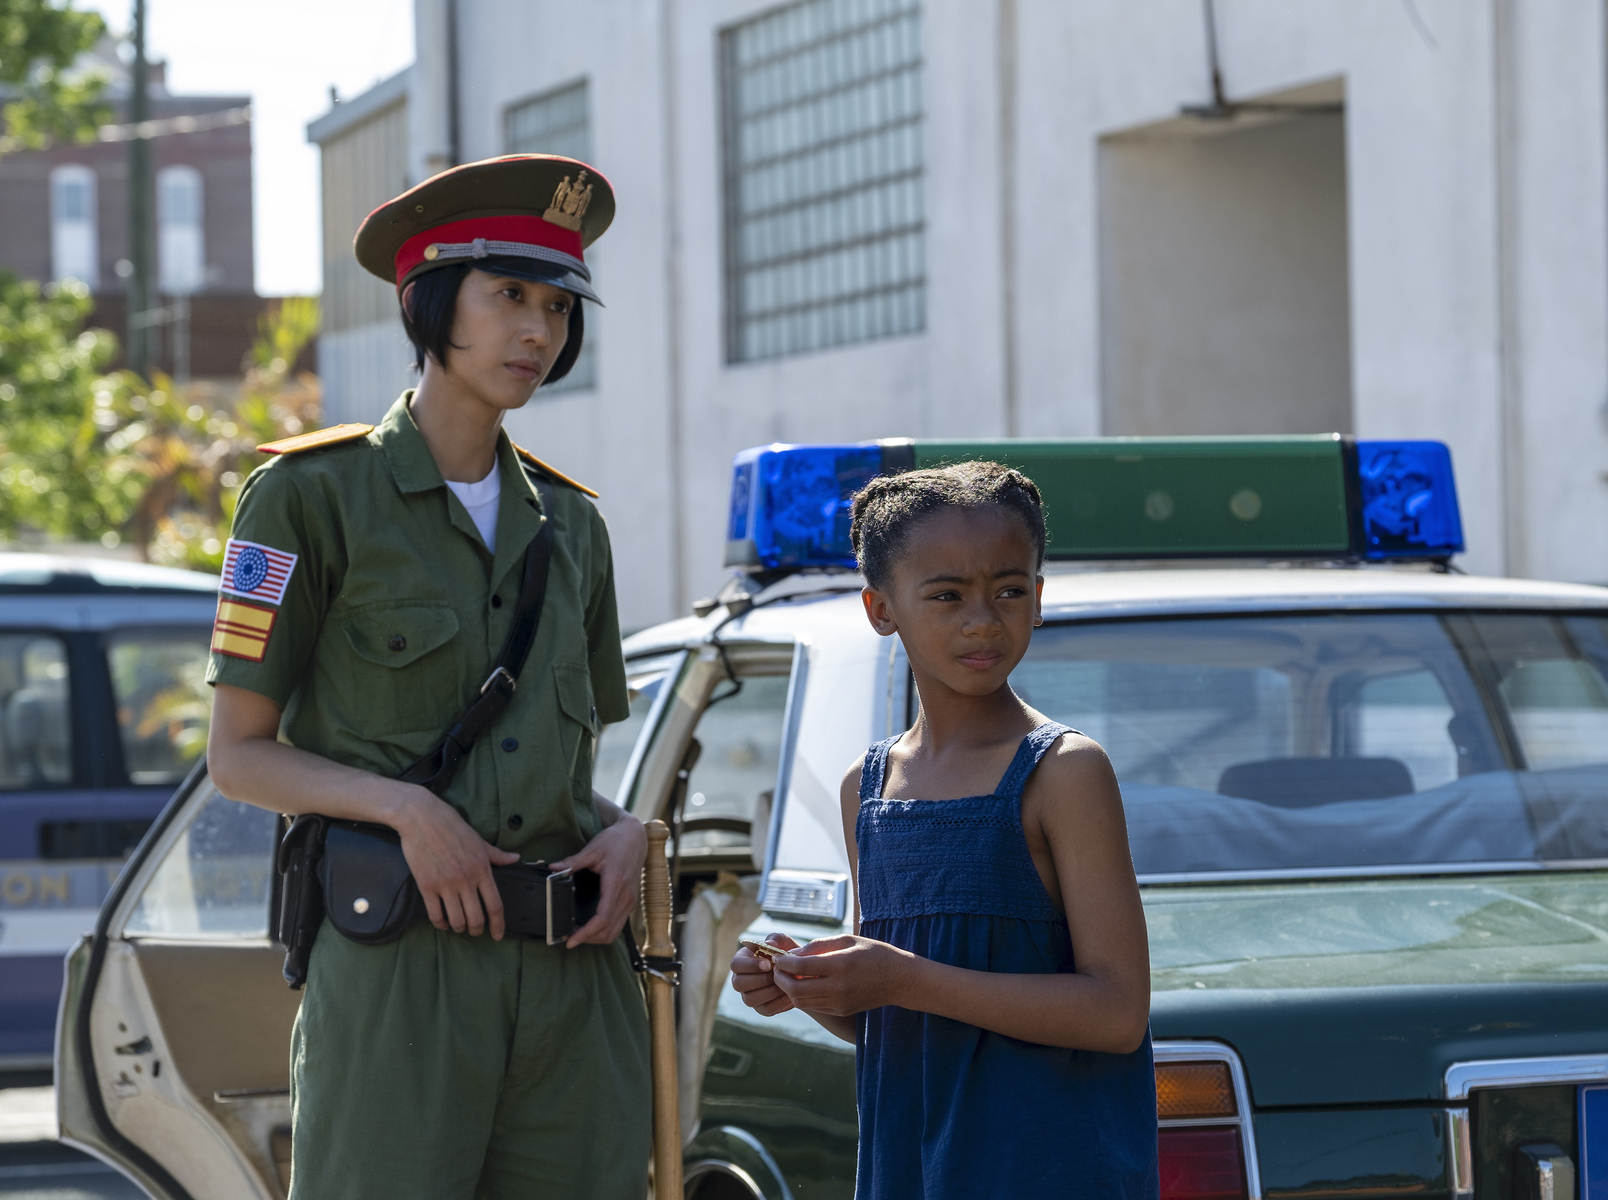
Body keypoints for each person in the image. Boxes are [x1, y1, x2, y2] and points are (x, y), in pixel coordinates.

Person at [204, 154, 650, 1199]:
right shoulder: (305, 498)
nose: (537, 331)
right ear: (426, 300)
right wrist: (405, 808)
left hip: (570, 979)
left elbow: (547, 773)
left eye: (556, 305)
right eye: (507, 297)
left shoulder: (574, 526)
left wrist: (624, 828)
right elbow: (239, 756)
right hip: (401, 969)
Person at [728, 462, 1158, 1199]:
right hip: (913, 1172)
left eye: (1009, 590)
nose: (983, 620)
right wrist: (813, 988)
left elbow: (1117, 1013)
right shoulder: (866, 790)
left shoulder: (1063, 772)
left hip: (1050, 1172)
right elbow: (900, 1025)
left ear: (1039, 598)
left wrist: (899, 976)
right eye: (948, 595)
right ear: (880, 608)